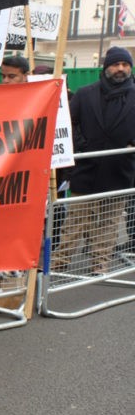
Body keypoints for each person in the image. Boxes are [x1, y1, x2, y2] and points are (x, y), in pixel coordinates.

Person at [51, 46, 135, 276]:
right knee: (75, 219)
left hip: (120, 169)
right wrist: (82, 144)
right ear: (106, 67)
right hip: (86, 168)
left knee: (109, 222)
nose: (120, 69)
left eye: (125, 64)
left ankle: (100, 263)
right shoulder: (86, 93)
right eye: (116, 64)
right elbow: (69, 122)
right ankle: (60, 259)